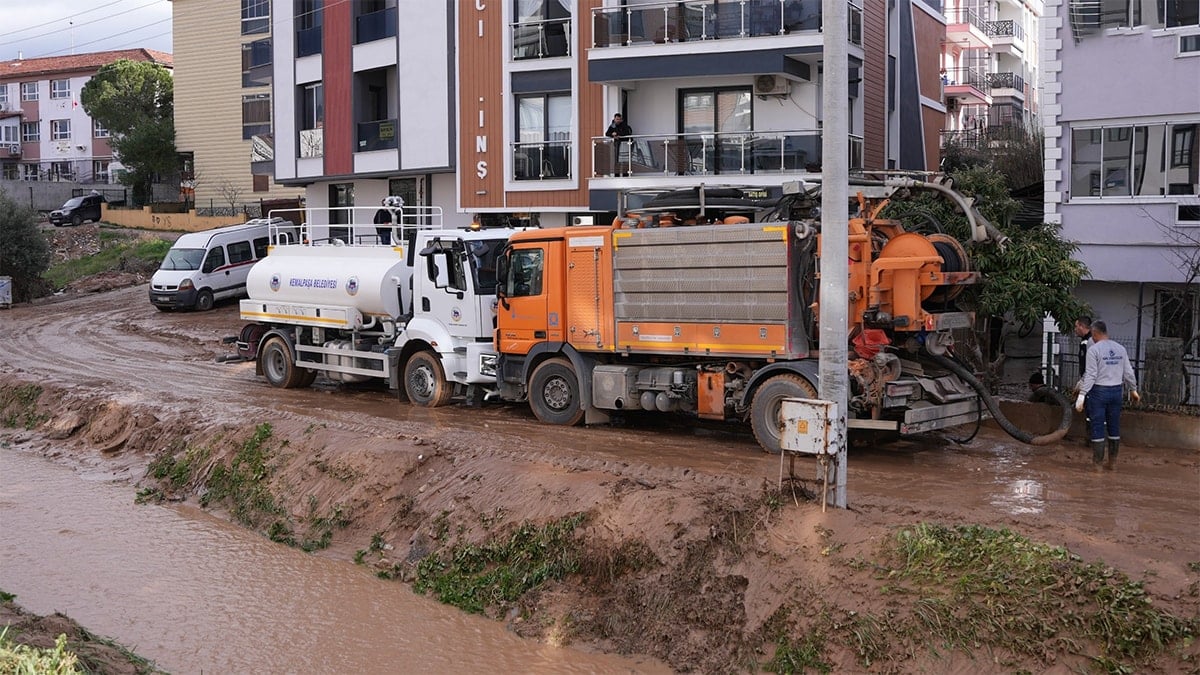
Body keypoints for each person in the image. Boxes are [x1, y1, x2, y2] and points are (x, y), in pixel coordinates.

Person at [1074, 320, 1140, 471]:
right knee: (1114, 426)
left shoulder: (1094, 350)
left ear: (1095, 333)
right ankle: (1113, 463)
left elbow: (1090, 374)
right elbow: (1128, 372)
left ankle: (1097, 466)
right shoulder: (1120, 348)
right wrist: (1133, 389)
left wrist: (1082, 394)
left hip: (1099, 392)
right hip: (1117, 392)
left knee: (1097, 426)